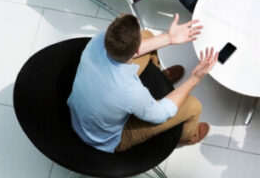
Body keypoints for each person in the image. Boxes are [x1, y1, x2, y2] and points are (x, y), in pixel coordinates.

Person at [68, 12, 217, 151]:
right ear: (137, 50)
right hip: (106, 138)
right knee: (193, 106)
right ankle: (187, 136)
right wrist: (194, 78)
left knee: (147, 35)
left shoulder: (96, 42)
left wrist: (168, 38)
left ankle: (161, 78)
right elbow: (161, 114)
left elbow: (140, 44)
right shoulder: (130, 91)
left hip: (85, 114)